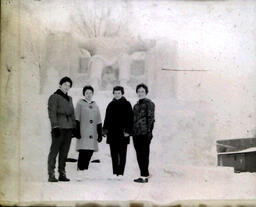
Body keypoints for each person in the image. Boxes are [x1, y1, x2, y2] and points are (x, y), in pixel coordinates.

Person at [47, 76, 76, 182]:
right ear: (60, 85)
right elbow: (52, 113)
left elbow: (72, 114)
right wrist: (55, 126)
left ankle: (62, 174)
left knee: (64, 152)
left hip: (68, 129)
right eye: (65, 85)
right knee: (54, 152)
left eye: (69, 85)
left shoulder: (70, 98)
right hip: (59, 128)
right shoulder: (54, 97)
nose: (67, 87)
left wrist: (74, 127)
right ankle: (51, 174)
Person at [103, 86, 133, 179]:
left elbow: (130, 119)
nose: (117, 95)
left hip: (123, 133)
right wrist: (105, 130)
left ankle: (120, 173)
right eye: (115, 93)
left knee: (122, 153)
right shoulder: (110, 104)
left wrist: (128, 131)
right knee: (114, 154)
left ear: (122, 93)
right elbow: (106, 118)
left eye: (119, 93)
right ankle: (115, 173)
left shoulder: (127, 104)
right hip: (112, 133)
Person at [75, 85, 102, 181]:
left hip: (93, 133)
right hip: (83, 131)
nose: (89, 94)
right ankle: (79, 171)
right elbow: (77, 118)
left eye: (90, 93)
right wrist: (77, 131)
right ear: (84, 94)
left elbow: (99, 120)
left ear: (93, 94)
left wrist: (100, 133)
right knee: (83, 151)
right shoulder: (80, 104)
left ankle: (85, 170)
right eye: (87, 93)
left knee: (90, 152)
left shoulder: (95, 105)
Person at [133, 83, 155, 183]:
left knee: (144, 154)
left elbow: (151, 119)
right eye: (139, 91)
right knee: (139, 154)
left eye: (142, 91)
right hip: (136, 134)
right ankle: (143, 174)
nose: (140, 93)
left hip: (145, 134)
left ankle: (144, 176)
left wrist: (149, 132)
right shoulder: (136, 105)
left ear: (146, 92)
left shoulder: (149, 104)